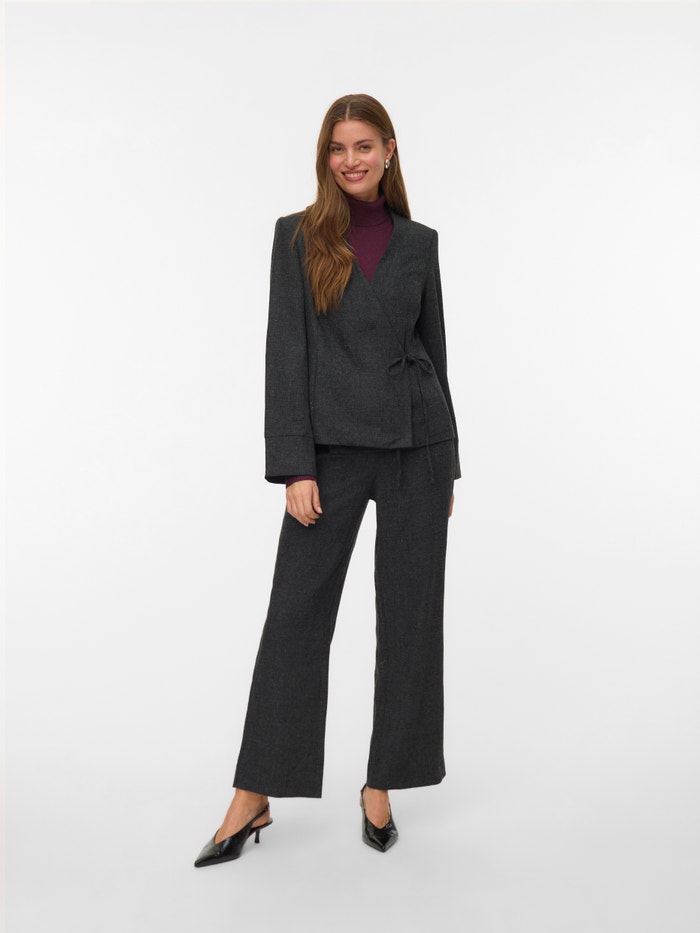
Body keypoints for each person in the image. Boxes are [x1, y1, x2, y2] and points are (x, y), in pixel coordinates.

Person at [194, 93, 460, 867]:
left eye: (364, 145)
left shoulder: (420, 242)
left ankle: (382, 783)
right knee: (296, 617)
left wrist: (448, 460)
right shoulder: (297, 235)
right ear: (326, 156)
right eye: (338, 148)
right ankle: (253, 792)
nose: (351, 160)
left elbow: (436, 352)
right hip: (331, 454)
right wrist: (296, 464)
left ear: (389, 150)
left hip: (416, 446)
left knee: (411, 619)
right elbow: (287, 353)